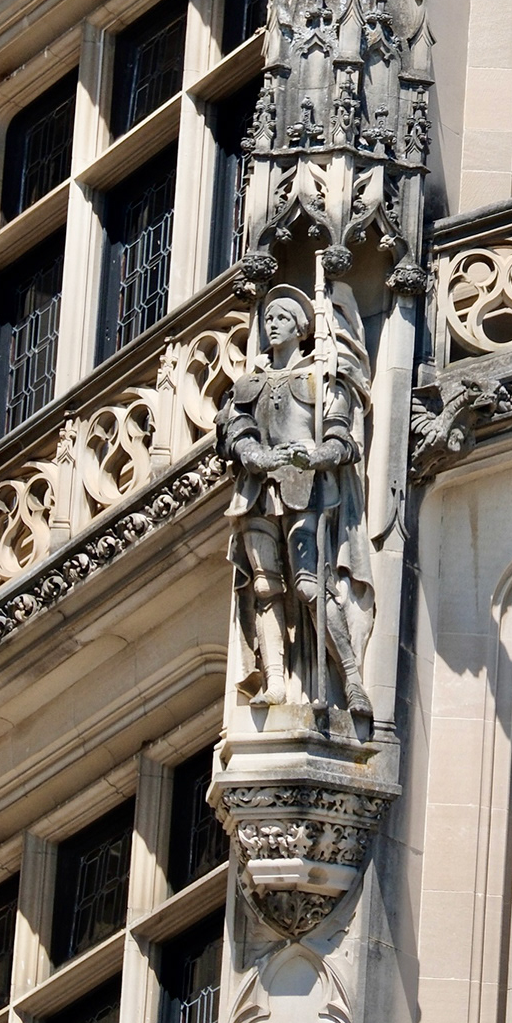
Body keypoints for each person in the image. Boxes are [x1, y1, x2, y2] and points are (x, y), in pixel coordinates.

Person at [221, 282, 376, 739]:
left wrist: (317, 454)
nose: (272, 325)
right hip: (255, 494)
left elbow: (340, 436)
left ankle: (350, 677)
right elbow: (233, 429)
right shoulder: (248, 383)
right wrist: (254, 453)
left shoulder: (319, 378)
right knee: (267, 588)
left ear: (302, 328)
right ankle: (273, 681)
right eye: (268, 319)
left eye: (282, 318)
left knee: (310, 586)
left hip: (304, 488)